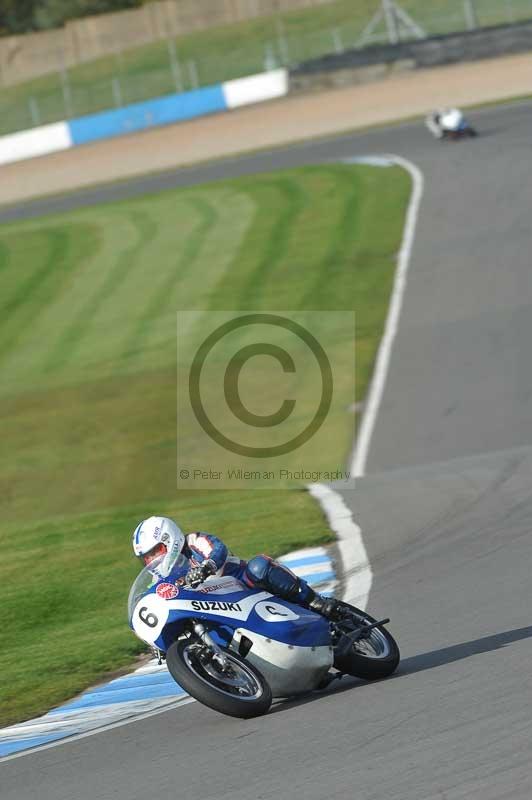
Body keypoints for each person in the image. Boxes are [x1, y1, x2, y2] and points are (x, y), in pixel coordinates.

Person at [132, 515, 344, 621]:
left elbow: (218, 548)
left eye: (155, 552)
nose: (153, 560)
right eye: (147, 558)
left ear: (169, 540)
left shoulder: (193, 541)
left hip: (241, 585)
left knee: (258, 566)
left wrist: (206, 568)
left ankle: (315, 601)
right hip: (215, 607)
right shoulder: (158, 581)